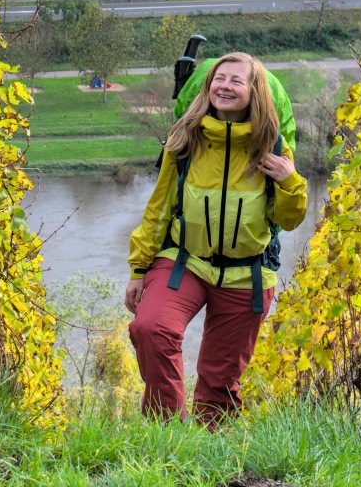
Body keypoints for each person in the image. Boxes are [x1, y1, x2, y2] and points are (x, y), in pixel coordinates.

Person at [125, 52, 308, 425]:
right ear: (208, 86)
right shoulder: (186, 137)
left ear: (254, 91)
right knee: (150, 328)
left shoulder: (272, 147)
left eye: (236, 80)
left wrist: (289, 180)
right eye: (218, 79)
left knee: (219, 383)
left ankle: (209, 459)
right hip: (184, 262)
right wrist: (139, 268)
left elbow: (289, 220)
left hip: (246, 274)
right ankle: (167, 433)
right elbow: (159, 207)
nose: (224, 86)